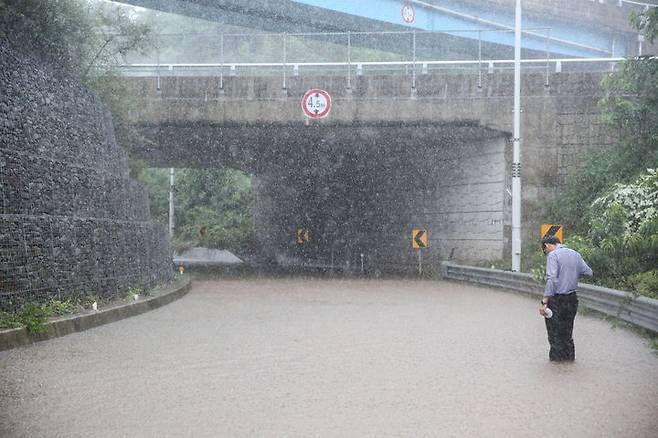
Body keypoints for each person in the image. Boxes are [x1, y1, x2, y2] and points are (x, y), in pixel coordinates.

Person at [539, 235, 593, 362]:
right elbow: (588, 272)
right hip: (572, 299)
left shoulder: (553, 255)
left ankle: (556, 368)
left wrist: (544, 301)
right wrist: (571, 273)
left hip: (556, 301)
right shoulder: (575, 254)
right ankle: (569, 363)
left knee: (555, 334)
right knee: (567, 333)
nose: (545, 254)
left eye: (544, 251)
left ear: (547, 245)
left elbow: (551, 279)